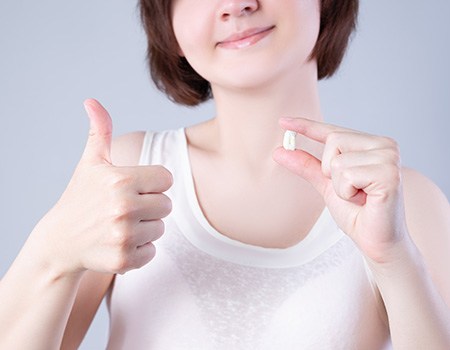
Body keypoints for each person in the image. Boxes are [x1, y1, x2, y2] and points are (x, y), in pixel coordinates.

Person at [1, 0, 449, 349]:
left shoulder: (406, 202)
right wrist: (52, 250)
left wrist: (393, 258)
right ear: (170, 28)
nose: (236, 5)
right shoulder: (126, 172)